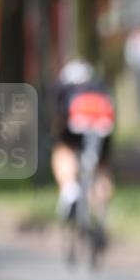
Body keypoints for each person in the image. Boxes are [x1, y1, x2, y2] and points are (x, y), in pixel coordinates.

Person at [51, 60, 115, 228]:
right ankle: (100, 213)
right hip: (104, 125)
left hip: (74, 124)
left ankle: (70, 190)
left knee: (63, 151)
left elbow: (58, 119)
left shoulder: (65, 89)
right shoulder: (100, 88)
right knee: (101, 168)